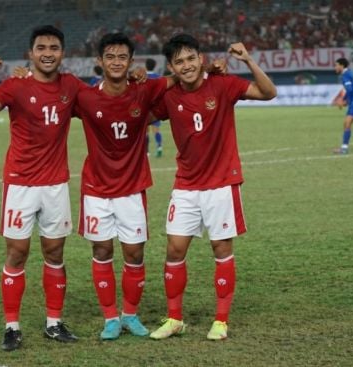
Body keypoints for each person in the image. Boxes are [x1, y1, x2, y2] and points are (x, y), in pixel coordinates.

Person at [148, 34, 277, 341]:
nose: (187, 65)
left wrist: (246, 59)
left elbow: (268, 92)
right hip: (186, 185)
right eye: (179, 61)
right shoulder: (168, 95)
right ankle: (175, 319)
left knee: (221, 249)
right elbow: (140, 111)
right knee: (174, 249)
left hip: (221, 183)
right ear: (171, 67)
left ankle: (221, 320)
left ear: (201, 58)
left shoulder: (223, 84)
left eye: (191, 58)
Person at [0, 25, 81, 351]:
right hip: (20, 185)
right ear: (31, 53)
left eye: (54, 47)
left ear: (62, 53)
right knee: (17, 253)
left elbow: (105, 100)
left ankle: (53, 322)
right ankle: (12, 326)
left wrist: (135, 79)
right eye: (41, 47)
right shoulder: (15, 85)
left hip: (56, 185)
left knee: (55, 252)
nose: (48, 53)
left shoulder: (71, 86)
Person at [74, 33, 172, 341]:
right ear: (99, 62)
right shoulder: (85, 96)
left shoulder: (143, 90)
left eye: (122, 57)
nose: (116, 62)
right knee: (102, 249)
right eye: (110, 57)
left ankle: (130, 314)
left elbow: (181, 78)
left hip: (131, 188)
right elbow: (50, 89)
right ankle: (110, 318)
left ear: (131, 62)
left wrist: (213, 68)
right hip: (96, 189)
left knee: (134, 253)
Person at [145, 58, 163, 157]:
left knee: (145, 131)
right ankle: (159, 147)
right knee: (156, 129)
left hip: (145, 108)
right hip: (155, 108)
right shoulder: (158, 77)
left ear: (146, 65)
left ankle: (147, 151)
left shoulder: (143, 77)